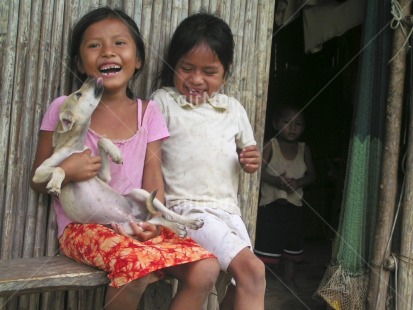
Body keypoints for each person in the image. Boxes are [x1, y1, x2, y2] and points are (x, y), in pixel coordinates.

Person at [30, 7, 220, 310]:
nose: (108, 52)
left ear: (139, 59)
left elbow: (153, 174)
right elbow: (38, 180)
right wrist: (66, 170)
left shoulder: (148, 113)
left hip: (135, 218)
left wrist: (155, 223)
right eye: (94, 46)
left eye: (120, 43)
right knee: (136, 269)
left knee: (207, 268)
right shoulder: (65, 108)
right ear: (80, 63)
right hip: (83, 228)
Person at [151, 12, 266, 310]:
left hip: (228, 213)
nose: (196, 79)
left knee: (242, 285)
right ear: (173, 65)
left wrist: (251, 161)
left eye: (209, 72)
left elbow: (249, 156)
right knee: (253, 271)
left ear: (225, 73)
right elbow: (149, 155)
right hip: (186, 211)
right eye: (187, 68)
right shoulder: (163, 101)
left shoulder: (233, 109)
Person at [254, 105, 316, 293]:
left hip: (294, 207)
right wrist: (277, 181)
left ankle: (289, 279)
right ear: (275, 124)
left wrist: (298, 182)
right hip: (270, 207)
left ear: (303, 128)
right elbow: (257, 172)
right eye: (287, 122)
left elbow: (312, 175)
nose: (292, 127)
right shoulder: (270, 145)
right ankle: (258, 283)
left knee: (292, 245)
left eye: (297, 124)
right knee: (266, 246)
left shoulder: (304, 149)